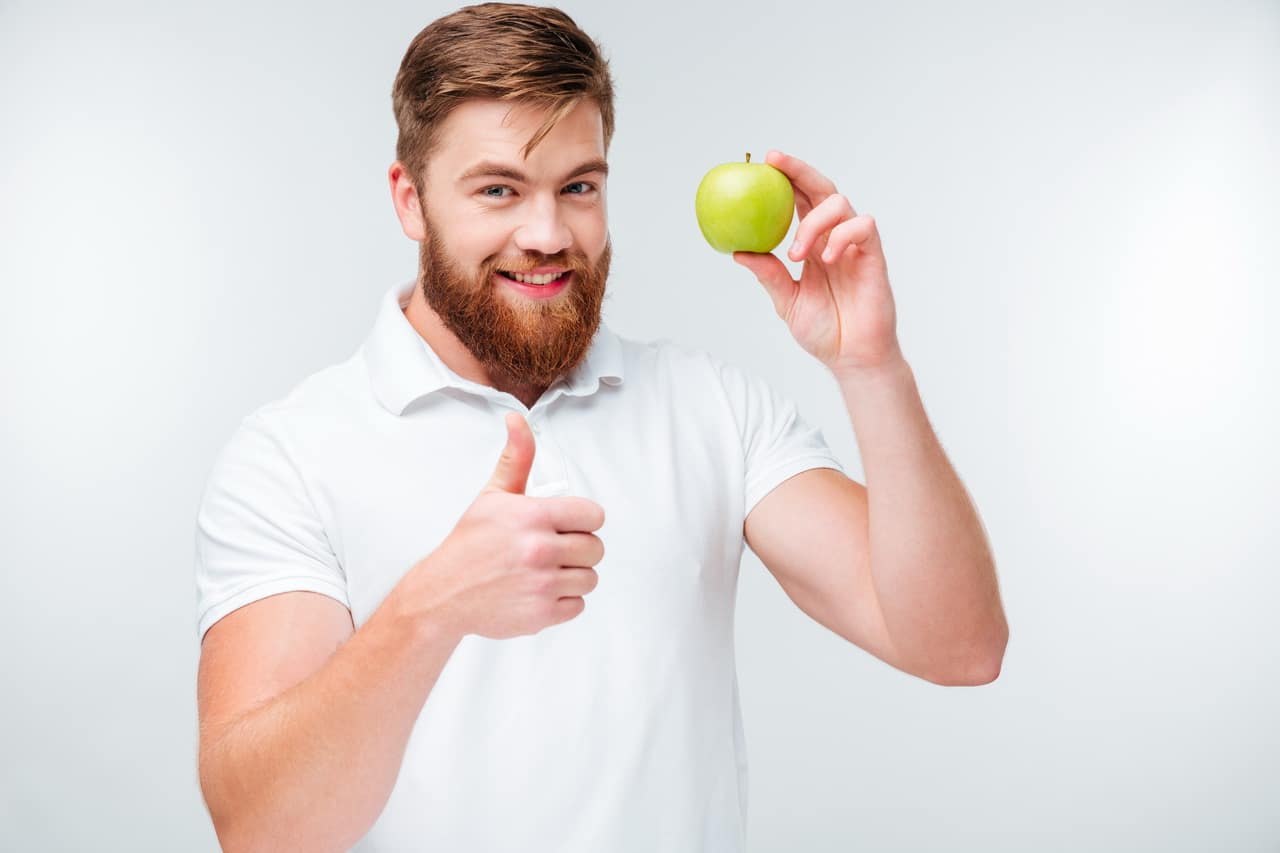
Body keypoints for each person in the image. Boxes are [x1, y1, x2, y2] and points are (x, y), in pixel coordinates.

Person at [193, 3, 1009, 851]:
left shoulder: (710, 407)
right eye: (499, 189)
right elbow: (260, 829)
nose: (548, 235)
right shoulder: (291, 453)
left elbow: (959, 646)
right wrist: (430, 609)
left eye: (578, 187)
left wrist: (871, 366)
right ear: (411, 199)